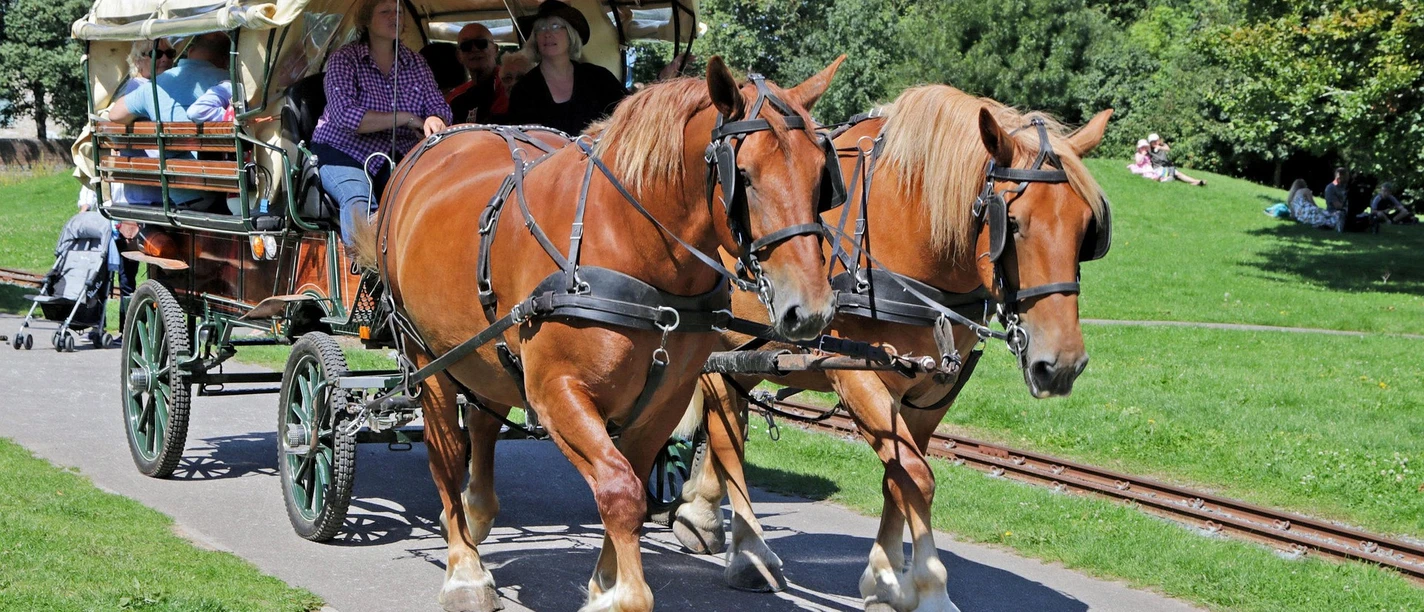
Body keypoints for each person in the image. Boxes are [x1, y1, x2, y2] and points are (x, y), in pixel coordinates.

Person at [310, 0, 451, 245]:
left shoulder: (416, 63)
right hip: (343, 150)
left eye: (398, 12)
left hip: (397, 153)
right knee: (359, 201)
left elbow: (439, 106)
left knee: (433, 198)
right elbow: (346, 116)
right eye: (385, 11)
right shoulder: (343, 60)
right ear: (365, 21)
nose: (393, 17)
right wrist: (405, 118)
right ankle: (365, 274)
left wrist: (435, 120)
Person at [504, 0, 627, 135]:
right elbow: (525, 144)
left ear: (570, 35)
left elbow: (628, 115)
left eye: (555, 26)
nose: (548, 34)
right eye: (541, 28)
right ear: (535, 39)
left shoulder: (598, 78)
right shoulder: (524, 89)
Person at [109, 32, 230, 124]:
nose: (165, 59)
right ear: (137, 61)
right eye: (156, 54)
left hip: (164, 156)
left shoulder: (151, 88)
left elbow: (115, 115)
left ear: (190, 51)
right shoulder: (228, 83)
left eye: (170, 53)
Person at [446, 23, 501, 124]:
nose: (474, 49)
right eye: (466, 46)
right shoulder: (454, 98)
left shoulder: (509, 85)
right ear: (459, 56)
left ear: (495, 50)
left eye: (481, 43)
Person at [488, 51, 534, 120]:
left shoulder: (545, 113)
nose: (513, 83)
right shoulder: (496, 116)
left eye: (521, 78)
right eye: (508, 78)